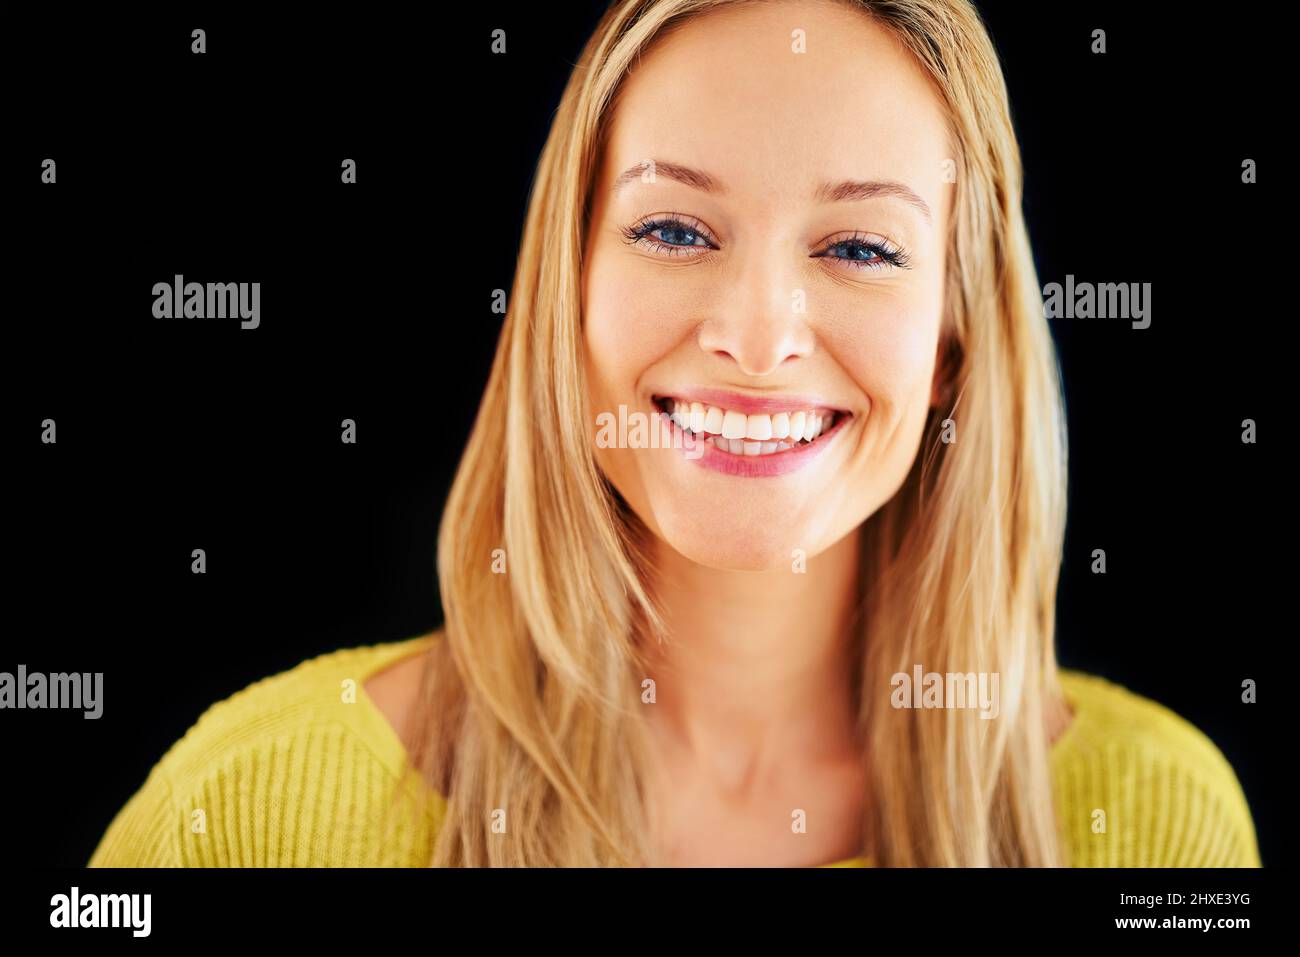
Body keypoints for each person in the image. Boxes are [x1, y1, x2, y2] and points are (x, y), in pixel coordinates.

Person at [90, 0, 1260, 868]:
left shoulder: (1157, 828)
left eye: (859, 248)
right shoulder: (247, 814)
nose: (755, 341)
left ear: (953, 343)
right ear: (568, 290)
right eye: (674, 230)